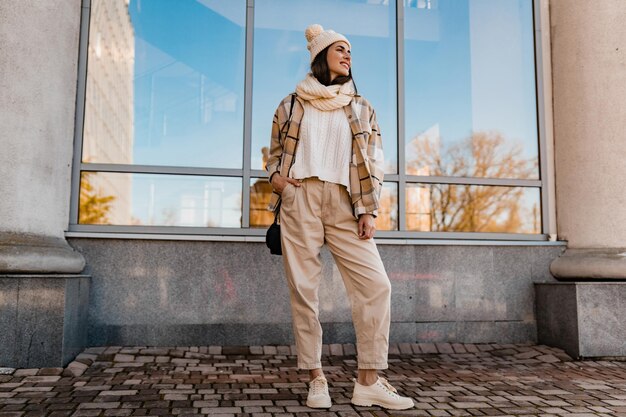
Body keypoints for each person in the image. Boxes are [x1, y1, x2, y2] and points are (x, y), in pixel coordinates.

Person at [265, 24, 414, 411]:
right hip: (302, 198)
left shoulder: (362, 106)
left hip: (347, 203)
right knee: (305, 291)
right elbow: (274, 151)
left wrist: (368, 209)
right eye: (341, 50)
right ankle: (316, 377)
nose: (348, 56)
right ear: (322, 56)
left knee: (376, 285)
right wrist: (279, 181)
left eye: (350, 52)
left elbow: (375, 163)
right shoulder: (291, 103)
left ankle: (368, 381)